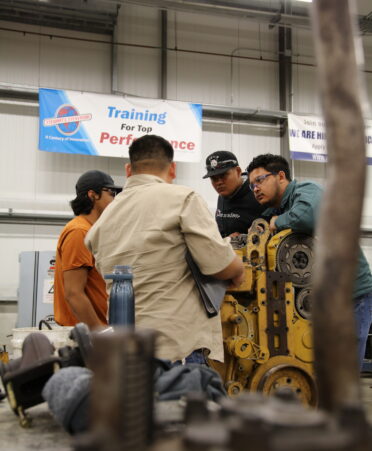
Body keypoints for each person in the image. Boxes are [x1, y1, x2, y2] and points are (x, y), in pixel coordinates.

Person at [86, 135, 244, 363]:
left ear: (128, 169)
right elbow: (220, 266)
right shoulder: (183, 199)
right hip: (177, 349)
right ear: (173, 169)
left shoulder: (103, 219)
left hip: (125, 352)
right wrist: (238, 269)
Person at [246, 153, 372, 368]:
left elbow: (307, 216)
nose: (255, 188)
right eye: (251, 185)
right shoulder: (277, 210)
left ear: (281, 176)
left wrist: (277, 222)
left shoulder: (308, 192)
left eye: (260, 180)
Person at [54, 170, 122, 330]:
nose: (114, 199)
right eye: (111, 193)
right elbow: (73, 294)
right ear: (93, 195)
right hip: (88, 334)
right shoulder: (79, 232)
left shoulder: (92, 231)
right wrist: (101, 332)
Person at [203, 150, 264, 237]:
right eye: (214, 178)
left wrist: (245, 238)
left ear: (238, 171)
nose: (219, 182)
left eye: (223, 175)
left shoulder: (257, 191)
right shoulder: (222, 195)